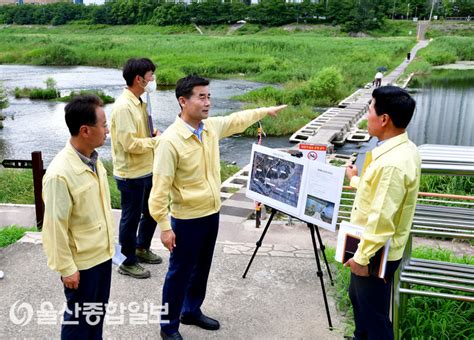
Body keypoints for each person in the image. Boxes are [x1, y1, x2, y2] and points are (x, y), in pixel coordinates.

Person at [149, 75, 287, 340]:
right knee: (178, 273)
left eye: (208, 96)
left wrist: (264, 112)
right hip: (186, 219)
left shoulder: (210, 128)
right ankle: (168, 327)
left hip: (211, 214)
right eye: (201, 97)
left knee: (201, 269)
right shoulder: (170, 141)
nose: (207, 102)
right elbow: (159, 192)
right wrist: (165, 228)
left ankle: (191, 310)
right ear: (183, 101)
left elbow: (236, 120)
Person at [344, 86, 421, 340]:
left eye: (369, 110)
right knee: (360, 301)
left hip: (376, 252)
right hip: (374, 248)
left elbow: (382, 220)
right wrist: (355, 181)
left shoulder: (392, 164)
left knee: (375, 317)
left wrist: (362, 258)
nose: (367, 117)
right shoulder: (404, 149)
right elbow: (380, 195)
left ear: (384, 119)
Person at [42, 95, 114, 339]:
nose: (107, 130)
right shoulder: (59, 174)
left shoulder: (93, 160)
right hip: (81, 265)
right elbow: (54, 228)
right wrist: (66, 268)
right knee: (78, 323)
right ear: (85, 130)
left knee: (96, 316)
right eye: (103, 124)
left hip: (102, 255)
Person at [110, 58, 161, 279]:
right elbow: (129, 144)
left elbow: (144, 131)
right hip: (130, 173)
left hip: (146, 169)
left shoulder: (140, 100)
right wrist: (157, 142)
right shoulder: (123, 106)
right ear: (139, 79)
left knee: (152, 211)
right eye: (151, 76)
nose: (153, 80)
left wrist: (155, 134)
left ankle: (141, 248)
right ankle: (127, 261)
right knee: (130, 219)